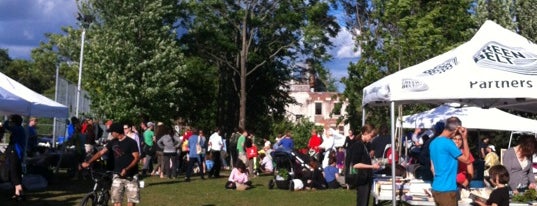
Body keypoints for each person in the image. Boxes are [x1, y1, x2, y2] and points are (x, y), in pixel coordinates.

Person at [81, 122, 140, 206]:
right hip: (117, 174)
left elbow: (136, 158)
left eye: (111, 132)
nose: (110, 133)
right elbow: (101, 152)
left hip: (131, 175)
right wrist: (88, 162)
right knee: (116, 200)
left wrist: (127, 169)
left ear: (117, 132)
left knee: (131, 201)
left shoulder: (131, 142)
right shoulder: (113, 142)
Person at [429, 116, 472, 206]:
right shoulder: (448, 143)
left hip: (437, 187)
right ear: (457, 129)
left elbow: (432, 168)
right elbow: (467, 160)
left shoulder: (433, 142)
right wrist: (464, 138)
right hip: (447, 189)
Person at [346, 123, 380, 206]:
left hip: (364, 178)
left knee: (364, 202)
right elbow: (355, 164)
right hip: (361, 179)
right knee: (362, 203)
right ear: (365, 133)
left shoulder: (364, 145)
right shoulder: (358, 145)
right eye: (371, 136)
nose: (371, 139)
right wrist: (372, 166)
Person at [3, 114, 25, 201]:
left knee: (14, 172)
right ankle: (17, 193)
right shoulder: (20, 129)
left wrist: (7, 120)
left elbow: (6, 126)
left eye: (12, 121)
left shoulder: (17, 129)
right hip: (16, 152)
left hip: (15, 152)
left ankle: (20, 192)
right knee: (16, 172)